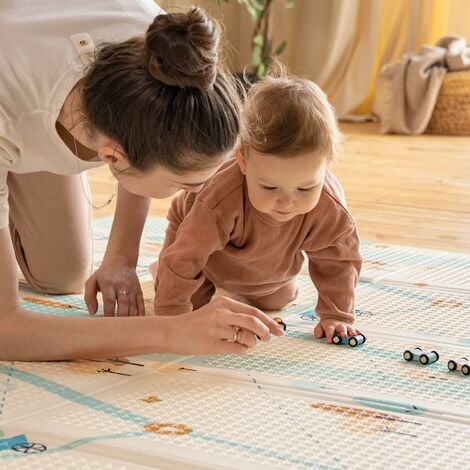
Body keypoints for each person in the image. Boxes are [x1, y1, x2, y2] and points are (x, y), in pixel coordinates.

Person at [0, 2, 284, 361]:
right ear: (112, 156)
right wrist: (171, 332)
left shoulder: (162, 46)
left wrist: (121, 256)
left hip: (30, 87)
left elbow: (148, 136)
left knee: (62, 274)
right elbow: (5, 330)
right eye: (184, 184)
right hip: (12, 97)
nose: (199, 193)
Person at [152, 72, 363, 343]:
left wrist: (337, 315)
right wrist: (172, 316)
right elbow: (187, 255)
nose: (287, 202)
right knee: (185, 299)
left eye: (305, 188)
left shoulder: (329, 206)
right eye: (270, 187)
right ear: (242, 162)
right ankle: (162, 269)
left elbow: (339, 262)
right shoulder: (219, 199)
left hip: (266, 258)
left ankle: (253, 283)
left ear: (326, 166)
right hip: (196, 240)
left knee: (277, 299)